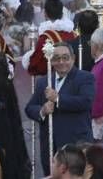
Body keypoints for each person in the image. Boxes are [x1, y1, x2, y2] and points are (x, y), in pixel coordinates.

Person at [25, 41, 95, 176]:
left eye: (65, 57)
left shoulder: (85, 78)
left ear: (73, 58)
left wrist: (58, 99)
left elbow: (86, 101)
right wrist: (43, 110)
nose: (61, 62)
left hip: (75, 145)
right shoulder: (44, 82)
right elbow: (29, 108)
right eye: (57, 58)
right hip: (50, 147)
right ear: (51, 60)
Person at [22, 0, 76, 75]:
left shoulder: (46, 37)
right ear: (62, 14)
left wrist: (28, 58)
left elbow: (37, 65)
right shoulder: (73, 34)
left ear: (45, 14)